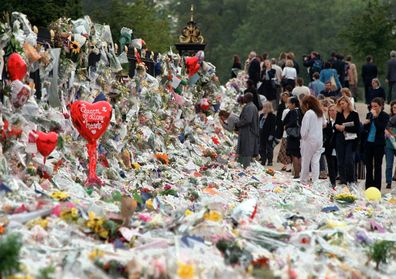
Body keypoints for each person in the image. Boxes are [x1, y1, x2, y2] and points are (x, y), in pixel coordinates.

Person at [363, 97, 389, 190]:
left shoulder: (385, 116)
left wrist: (375, 117)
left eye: (375, 106)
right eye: (372, 106)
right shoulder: (369, 114)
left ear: (381, 106)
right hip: (369, 143)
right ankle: (368, 187)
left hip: (379, 144)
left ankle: (377, 187)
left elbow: (381, 128)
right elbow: (365, 129)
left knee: (377, 166)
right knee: (368, 166)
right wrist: (365, 124)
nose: (373, 108)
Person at [335, 96, 360, 185]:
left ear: (348, 103)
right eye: (340, 104)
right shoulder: (339, 114)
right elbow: (336, 124)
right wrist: (337, 126)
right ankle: (343, 179)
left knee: (349, 160)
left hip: (351, 139)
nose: (342, 105)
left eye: (343, 103)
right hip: (340, 138)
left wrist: (345, 127)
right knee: (340, 160)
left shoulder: (354, 114)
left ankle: (351, 179)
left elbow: (357, 128)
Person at [300, 95, 324, 184]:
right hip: (319, 139)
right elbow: (324, 124)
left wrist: (303, 138)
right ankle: (315, 181)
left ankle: (303, 181)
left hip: (309, 140)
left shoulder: (309, 113)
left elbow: (304, 130)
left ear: (307, 104)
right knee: (315, 162)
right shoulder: (320, 112)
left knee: (306, 161)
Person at [235, 93, 259, 168]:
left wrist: (238, 124)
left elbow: (248, 120)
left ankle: (246, 167)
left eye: (244, 97)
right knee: (247, 149)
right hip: (249, 132)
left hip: (248, 132)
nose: (243, 99)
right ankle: (246, 167)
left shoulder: (249, 107)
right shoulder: (252, 106)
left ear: (247, 98)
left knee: (247, 150)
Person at [283, 97, 302, 178]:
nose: (288, 105)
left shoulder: (293, 112)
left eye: (289, 103)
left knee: (294, 155)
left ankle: (296, 174)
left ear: (293, 104)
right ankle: (300, 173)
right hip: (301, 136)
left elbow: (288, 122)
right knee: (299, 155)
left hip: (293, 136)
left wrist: (287, 127)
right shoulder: (302, 111)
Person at [277, 92, 292, 171]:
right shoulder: (282, 107)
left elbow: (283, 121)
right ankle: (286, 165)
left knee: (286, 149)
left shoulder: (286, 111)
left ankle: (287, 165)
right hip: (287, 132)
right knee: (285, 149)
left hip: (287, 132)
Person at [323, 104, 338, 187]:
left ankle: (337, 178)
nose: (331, 112)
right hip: (329, 146)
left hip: (338, 146)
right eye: (330, 110)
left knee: (337, 164)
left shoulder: (339, 122)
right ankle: (332, 182)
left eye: (333, 110)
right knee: (330, 165)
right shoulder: (327, 123)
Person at [385, 100, 396, 189]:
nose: (395, 109)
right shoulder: (388, 117)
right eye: (394, 107)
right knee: (389, 164)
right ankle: (388, 182)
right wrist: (386, 131)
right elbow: (384, 127)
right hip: (389, 143)